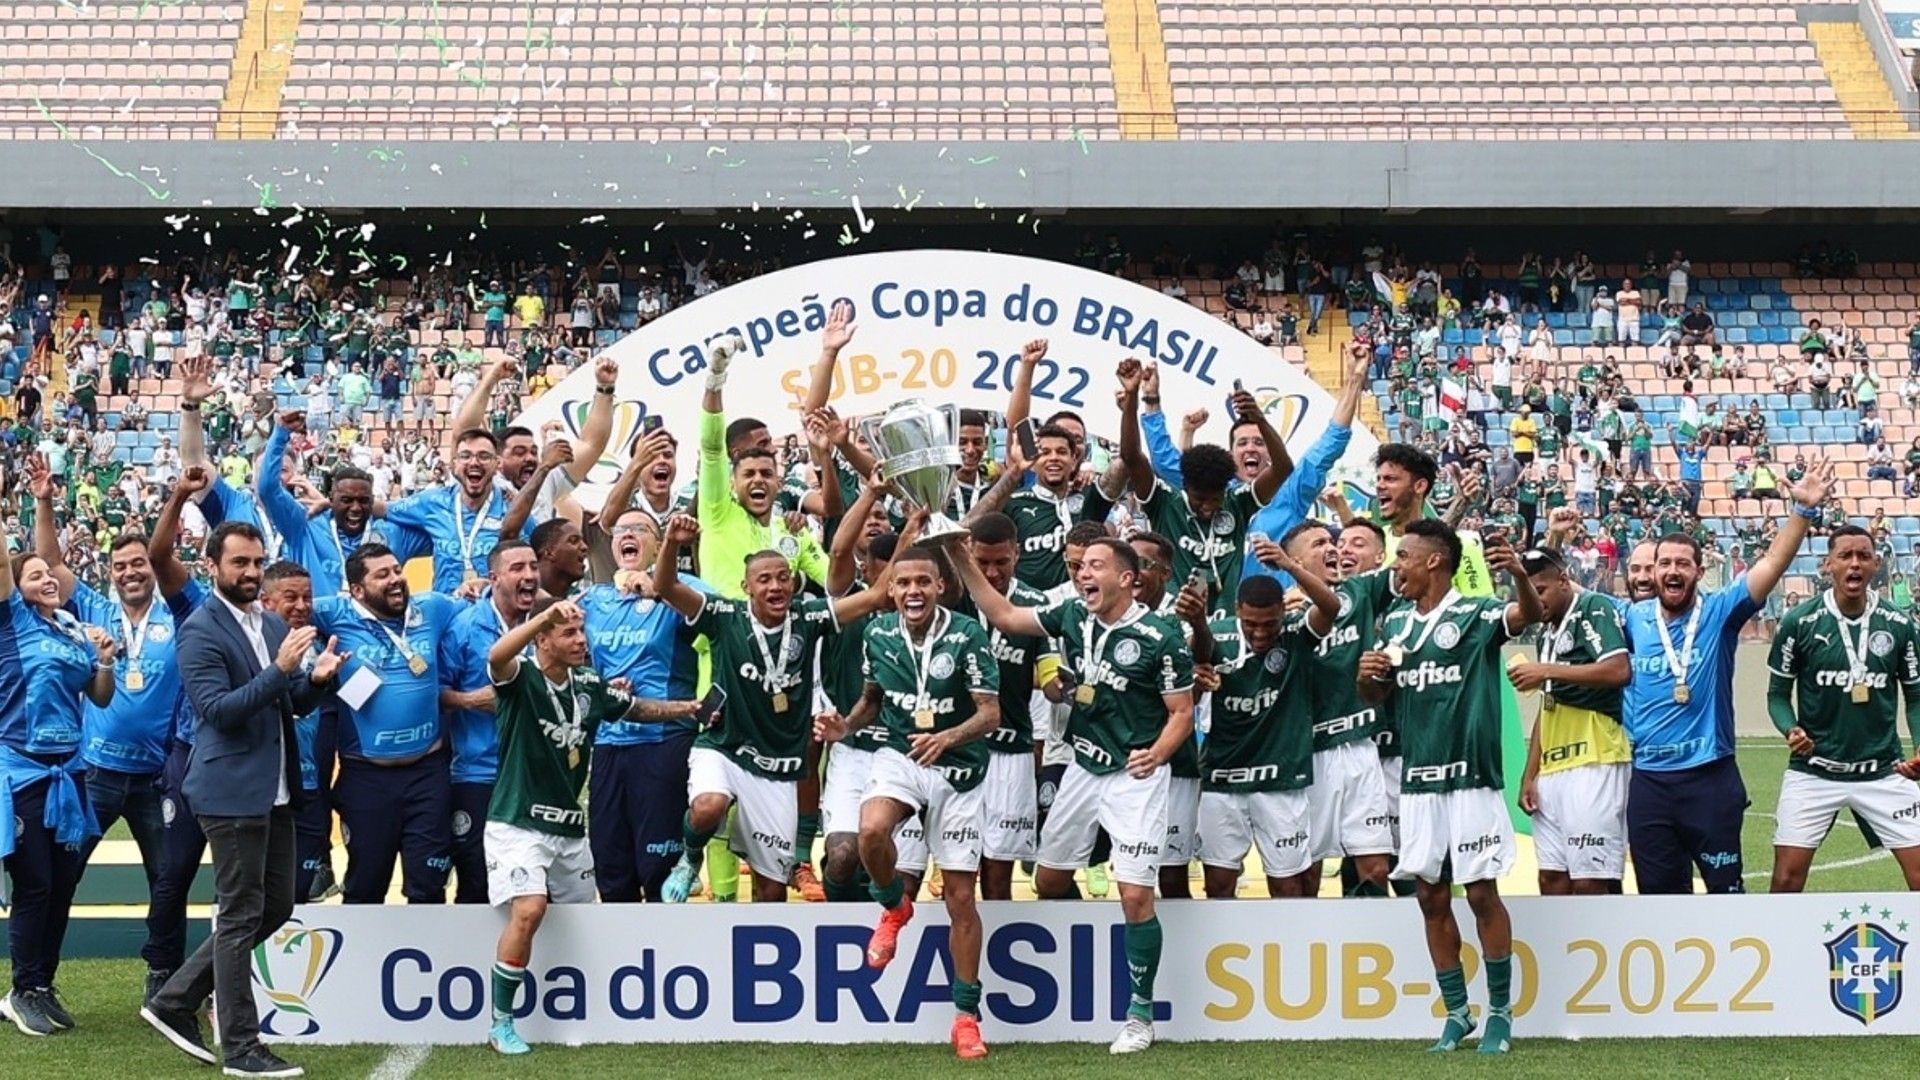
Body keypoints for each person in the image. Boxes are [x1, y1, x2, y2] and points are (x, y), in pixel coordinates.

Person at [955, 536, 1194, 1054]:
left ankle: (1139, 1015)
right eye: (1081, 566)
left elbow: (1181, 712)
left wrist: (1157, 753)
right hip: (1084, 767)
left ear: (1127, 579)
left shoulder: (1161, 634)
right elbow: (1003, 616)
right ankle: (1087, 970)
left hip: (1136, 774)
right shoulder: (1071, 616)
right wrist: (958, 556)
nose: (1083, 572)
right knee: (1049, 880)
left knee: (1134, 893)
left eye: (1096, 566)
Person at [140, 521, 343, 1077]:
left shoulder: (271, 623)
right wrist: (281, 672)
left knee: (276, 907)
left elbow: (287, 704)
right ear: (213, 567)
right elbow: (220, 711)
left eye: (257, 563)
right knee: (239, 915)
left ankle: (174, 999)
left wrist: (317, 680)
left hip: (274, 789)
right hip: (229, 790)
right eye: (240, 564)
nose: (251, 573)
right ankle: (242, 1047)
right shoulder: (200, 630)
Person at [1357, 518, 1542, 1055]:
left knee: (1482, 892)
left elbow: (1526, 617)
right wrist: (1368, 675)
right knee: (1430, 897)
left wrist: (1519, 580)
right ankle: (1457, 1014)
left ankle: (1501, 1015)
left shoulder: (1474, 613)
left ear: (1433, 561)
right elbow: (1373, 699)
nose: (1397, 568)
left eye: (1404, 558)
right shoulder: (1393, 624)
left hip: (1471, 780)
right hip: (1417, 782)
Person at [480, 597, 695, 1054]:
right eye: (569, 633)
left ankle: (588, 1010)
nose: (581, 641)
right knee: (530, 909)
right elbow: (497, 657)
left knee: (582, 919)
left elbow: (636, 708)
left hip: (571, 829)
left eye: (582, 632)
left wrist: (688, 708)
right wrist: (542, 615)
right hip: (518, 824)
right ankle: (501, 1023)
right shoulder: (521, 679)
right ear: (543, 639)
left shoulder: (589, 684)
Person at [653, 513, 904, 903]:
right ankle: (688, 860)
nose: (775, 586)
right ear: (746, 587)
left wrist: (911, 539)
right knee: (707, 806)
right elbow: (665, 586)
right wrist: (672, 542)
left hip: (777, 766)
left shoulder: (809, 617)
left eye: (783, 577)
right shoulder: (724, 616)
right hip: (725, 747)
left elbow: (876, 596)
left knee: (771, 892)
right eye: (764, 579)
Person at [814, 545, 1000, 1059]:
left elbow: (990, 714)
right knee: (871, 831)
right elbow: (872, 702)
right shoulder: (877, 633)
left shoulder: (967, 635)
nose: (913, 591)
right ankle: (894, 906)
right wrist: (844, 726)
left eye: (923, 581)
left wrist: (949, 737)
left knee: (960, 898)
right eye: (904, 583)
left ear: (940, 587)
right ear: (890, 589)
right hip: (902, 755)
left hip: (960, 769)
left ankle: (966, 1018)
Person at [1621, 457, 1834, 894]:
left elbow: (1773, 563)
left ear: (1699, 571)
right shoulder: (1629, 619)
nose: (1673, 571)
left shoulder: (1720, 613)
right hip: (1648, 782)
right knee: (1658, 903)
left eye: (1683, 564)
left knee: (1727, 897)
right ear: (1653, 571)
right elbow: (1561, 597)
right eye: (1665, 564)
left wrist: (1804, 511)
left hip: (1710, 778)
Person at [0, 505, 118, 1037]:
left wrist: (107, 660)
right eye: (35, 574)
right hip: (23, 772)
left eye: (51, 573)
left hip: (70, 774)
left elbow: (98, 695)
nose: (47, 577)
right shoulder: (12, 623)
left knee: (64, 883)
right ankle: (21, 989)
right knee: (35, 884)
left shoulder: (72, 627)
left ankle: (43, 985)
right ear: (16, 588)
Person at [308, 544, 465, 904]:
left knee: (429, 886)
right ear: (357, 591)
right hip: (366, 779)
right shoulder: (332, 614)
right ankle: (358, 961)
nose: (396, 580)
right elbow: (282, 606)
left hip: (429, 775)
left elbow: (480, 609)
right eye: (383, 575)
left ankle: (432, 960)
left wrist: (473, 589)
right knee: (365, 886)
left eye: (397, 570)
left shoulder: (433, 608)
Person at [1766, 526, 1920, 892]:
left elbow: (1915, 697)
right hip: (1814, 772)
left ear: (1876, 565)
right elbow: (1776, 696)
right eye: (1845, 556)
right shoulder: (1797, 622)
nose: (1854, 564)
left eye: (1863, 556)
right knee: (1785, 880)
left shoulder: (1900, 624)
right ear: (1827, 565)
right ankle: (1782, 949)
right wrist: (1791, 730)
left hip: (1883, 771)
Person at [579, 511, 708, 902]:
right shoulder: (595, 598)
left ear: (656, 543)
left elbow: (722, 613)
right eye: (620, 531)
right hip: (608, 744)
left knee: (658, 871)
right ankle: (622, 961)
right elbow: (558, 644)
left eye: (639, 530)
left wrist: (659, 588)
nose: (628, 535)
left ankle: (669, 958)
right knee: (610, 865)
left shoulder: (680, 588)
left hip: (663, 742)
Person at [1196, 559, 1338, 898]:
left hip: (1280, 782)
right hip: (1222, 778)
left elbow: (1330, 606)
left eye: (1269, 624)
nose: (1260, 633)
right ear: (1236, 611)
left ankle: (1292, 950)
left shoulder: (1296, 635)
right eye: (1250, 624)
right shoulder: (1215, 637)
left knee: (1289, 885)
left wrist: (1290, 566)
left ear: (1283, 613)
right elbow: (1191, 675)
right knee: (1217, 884)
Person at [1511, 547, 1632, 896]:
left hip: (1594, 761)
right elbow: (1548, 704)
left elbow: (1619, 669)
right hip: (1552, 770)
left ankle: (1608, 949)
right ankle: (1562, 952)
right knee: (1551, 879)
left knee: (1591, 879)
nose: (1535, 599)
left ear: (1564, 580)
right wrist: (1529, 775)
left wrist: (1546, 669)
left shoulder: (1594, 607)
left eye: (1540, 590)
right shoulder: (1545, 631)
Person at [953, 513, 1055, 901]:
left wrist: (1059, 685)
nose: (993, 572)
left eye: (1001, 562)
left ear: (1018, 553)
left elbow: (1048, 672)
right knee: (959, 875)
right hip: (961, 751)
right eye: (982, 563)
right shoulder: (954, 597)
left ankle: (996, 959)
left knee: (997, 879)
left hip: (1012, 752)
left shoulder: (1035, 603)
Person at [437, 541, 541, 903]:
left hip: (537, 779)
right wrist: (470, 700)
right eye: (517, 569)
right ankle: (470, 961)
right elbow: (436, 693)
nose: (528, 575)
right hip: (478, 776)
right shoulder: (463, 626)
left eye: (533, 567)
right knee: (477, 883)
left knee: (537, 885)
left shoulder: (547, 626)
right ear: (493, 578)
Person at [256, 561, 340, 902]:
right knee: (253, 894)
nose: (302, 606)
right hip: (262, 789)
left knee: (298, 895)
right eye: (290, 597)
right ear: (266, 601)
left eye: (307, 597)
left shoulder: (321, 646)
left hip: (308, 789)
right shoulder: (253, 645)